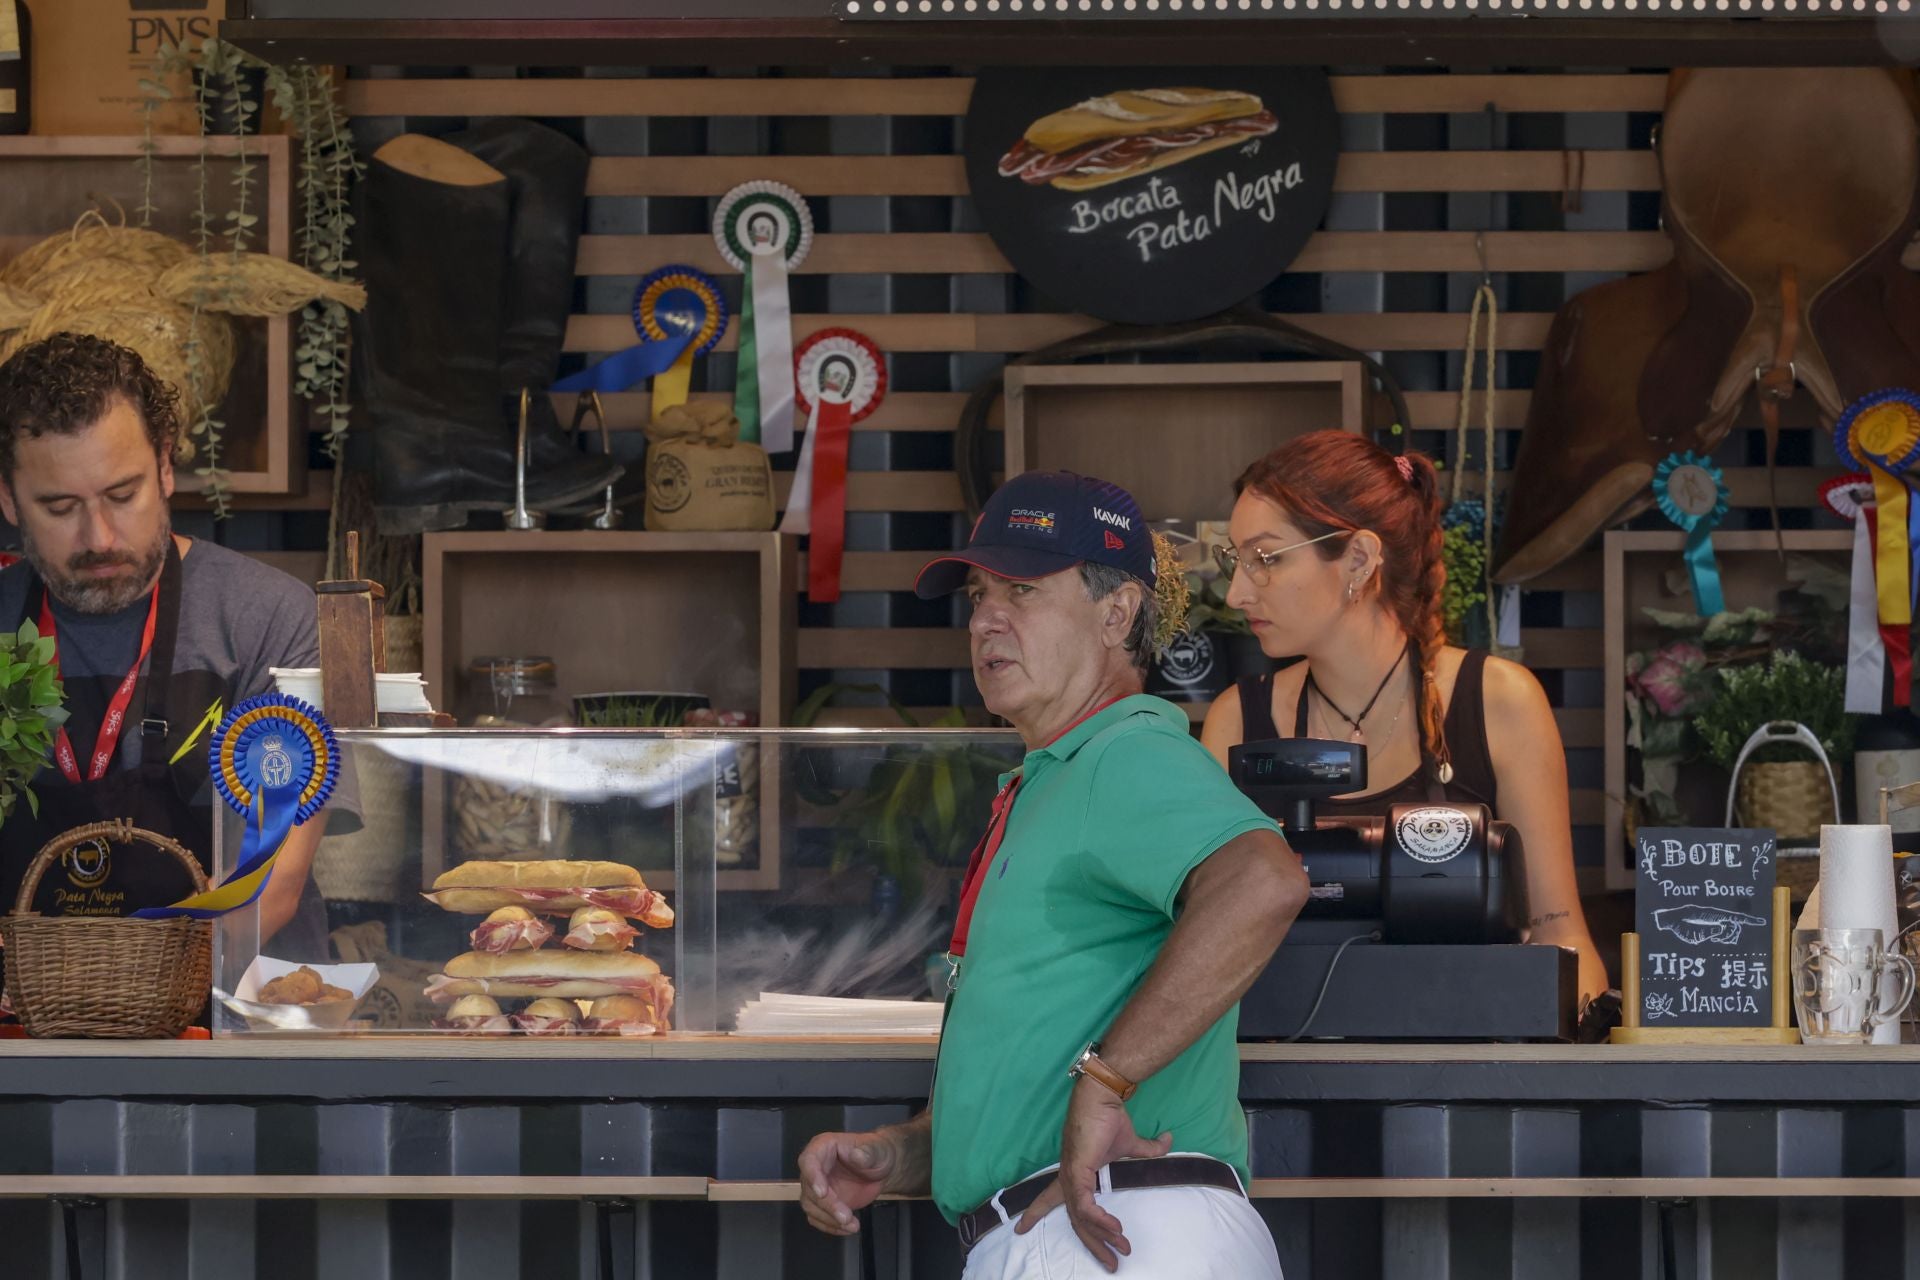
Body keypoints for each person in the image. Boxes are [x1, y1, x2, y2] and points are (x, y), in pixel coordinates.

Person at [798, 471, 1310, 1277]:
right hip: (1088, 1227)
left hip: (1121, 1231)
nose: (986, 620)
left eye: (1023, 591)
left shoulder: (1124, 751)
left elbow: (1264, 880)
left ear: (1118, 612)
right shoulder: (1057, 777)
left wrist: (1105, 1083)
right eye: (976, 594)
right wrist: (900, 1155)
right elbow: (1031, 1077)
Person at [1198, 430, 1609, 1006]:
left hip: (1468, 1069)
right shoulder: (1238, 721)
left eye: (1263, 558)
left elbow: (1559, 937)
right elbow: (1204, 945)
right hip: (1282, 1073)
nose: (1238, 592)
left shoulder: (1499, 702)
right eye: (1234, 560)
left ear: (1359, 560)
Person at [0, 333, 342, 949]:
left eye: (122, 495)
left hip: (224, 1023)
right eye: (58, 507)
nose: (99, 536)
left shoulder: (269, 619)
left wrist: (119, 1001)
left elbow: (270, 888)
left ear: (164, 467)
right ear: (8, 498)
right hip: (24, 1023)